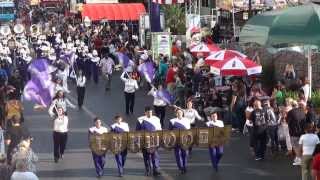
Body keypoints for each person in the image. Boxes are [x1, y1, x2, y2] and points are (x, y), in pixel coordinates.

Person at [136, 107, 162, 176]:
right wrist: (138, 142)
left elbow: (159, 129)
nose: (149, 113)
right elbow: (137, 131)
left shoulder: (156, 119)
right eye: (148, 112)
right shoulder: (140, 120)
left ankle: (155, 169)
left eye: (150, 112)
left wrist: (160, 139)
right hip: (145, 140)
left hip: (154, 140)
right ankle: (148, 169)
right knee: (146, 156)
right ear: (145, 112)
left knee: (155, 155)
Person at [169, 108, 191, 174]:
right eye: (178, 113)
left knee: (185, 154)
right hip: (176, 140)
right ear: (176, 114)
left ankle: (184, 166)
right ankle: (181, 167)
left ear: (182, 113)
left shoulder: (186, 120)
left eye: (180, 112)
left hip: (184, 140)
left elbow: (189, 130)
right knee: (178, 154)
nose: (179, 114)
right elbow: (169, 131)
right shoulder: (172, 121)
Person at [287, 100, 307, 166]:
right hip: (302, 132)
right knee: (300, 146)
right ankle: (299, 158)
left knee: (295, 146)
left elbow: (288, 122)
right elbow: (304, 121)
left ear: (292, 105)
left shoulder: (290, 112)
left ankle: (299, 159)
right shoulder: (302, 111)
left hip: (294, 132)